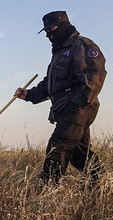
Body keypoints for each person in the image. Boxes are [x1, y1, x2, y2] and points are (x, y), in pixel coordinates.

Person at [14, 11, 106, 183]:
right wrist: (28, 94)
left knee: (57, 149)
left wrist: (76, 106)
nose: (49, 34)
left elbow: (95, 77)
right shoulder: (59, 53)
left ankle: (46, 192)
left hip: (78, 109)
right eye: (46, 31)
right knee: (79, 155)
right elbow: (51, 84)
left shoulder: (82, 45)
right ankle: (103, 183)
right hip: (65, 109)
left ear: (64, 25)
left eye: (52, 29)